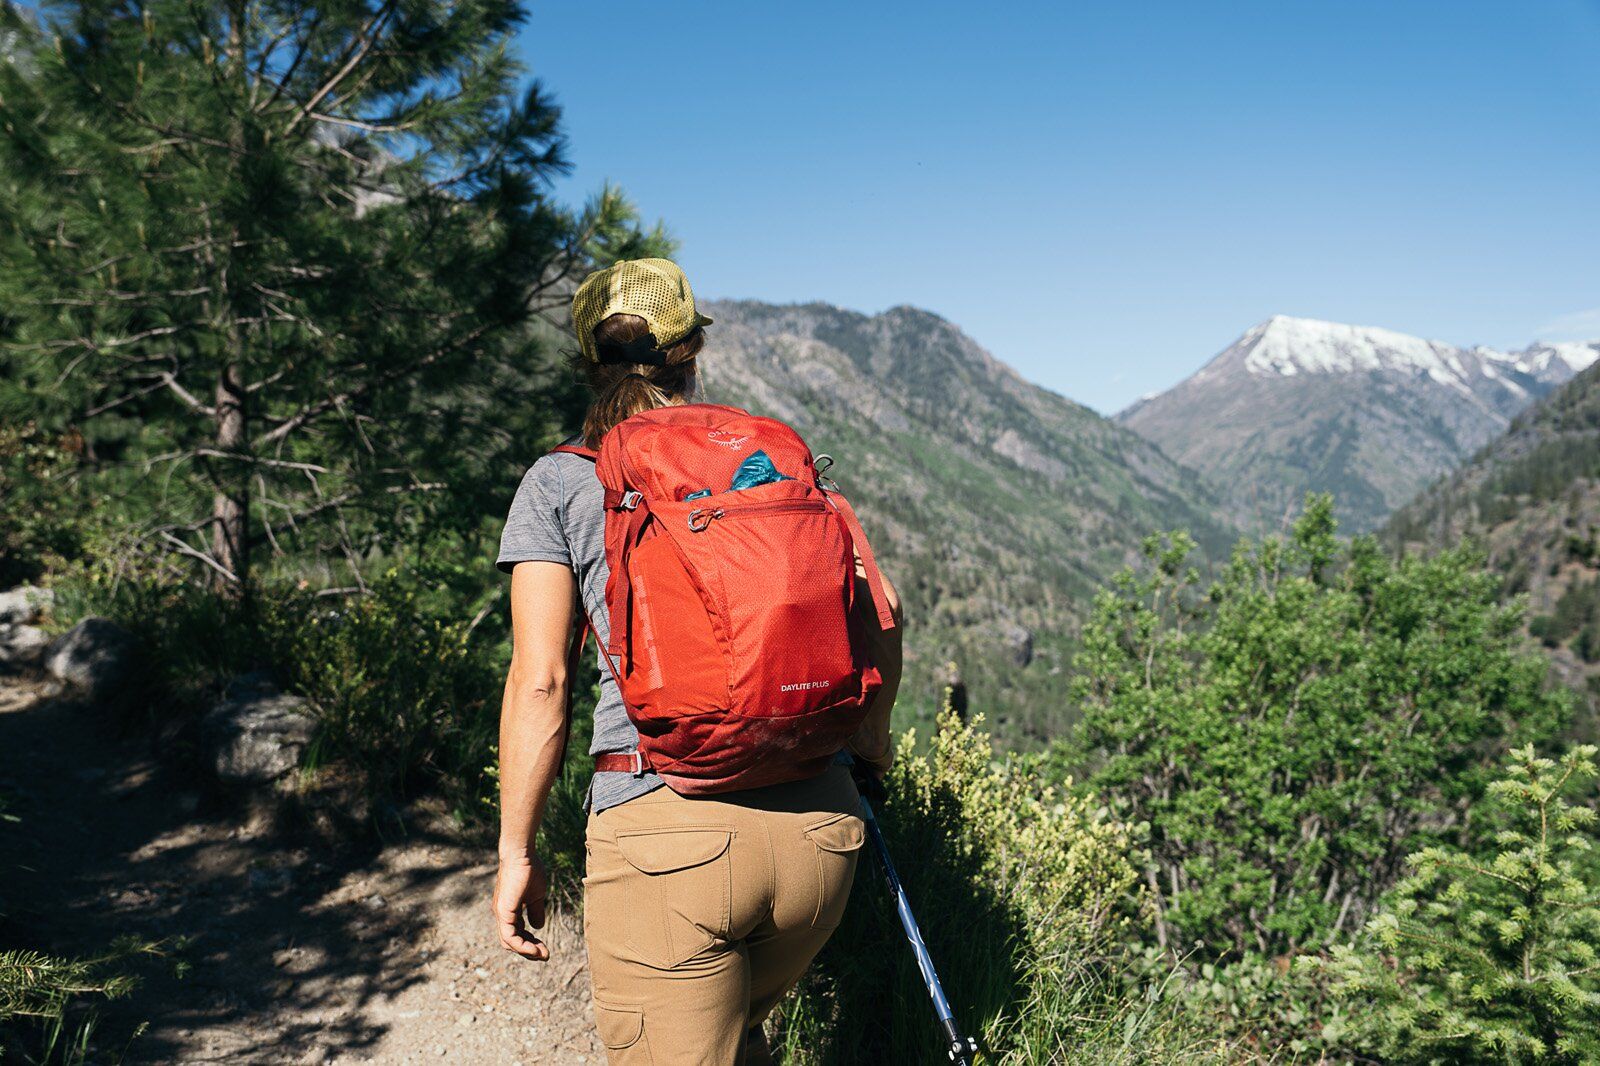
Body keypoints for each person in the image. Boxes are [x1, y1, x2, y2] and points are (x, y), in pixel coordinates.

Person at [492, 258, 902, 1064]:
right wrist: (871, 750)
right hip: (822, 834)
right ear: (692, 351)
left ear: (587, 357)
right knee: (738, 1039)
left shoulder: (558, 483)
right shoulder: (767, 460)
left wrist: (517, 853)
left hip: (664, 839)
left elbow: (541, 679)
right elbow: (883, 616)